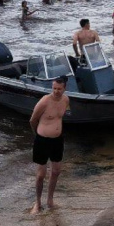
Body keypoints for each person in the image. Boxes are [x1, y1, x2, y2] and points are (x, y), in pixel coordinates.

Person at [29, 77, 69, 214]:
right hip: (42, 140)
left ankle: (50, 200)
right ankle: (37, 202)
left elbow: (61, 116)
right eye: (54, 88)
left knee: (56, 171)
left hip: (57, 140)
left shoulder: (66, 100)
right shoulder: (45, 101)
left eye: (59, 89)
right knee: (41, 174)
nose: (56, 91)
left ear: (64, 88)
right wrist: (38, 135)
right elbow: (33, 120)